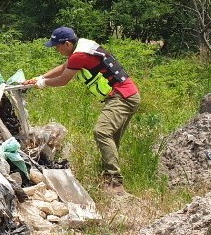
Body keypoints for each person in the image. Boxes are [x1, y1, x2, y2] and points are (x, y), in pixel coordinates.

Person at [22, 26, 140, 195]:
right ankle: (109, 178)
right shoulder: (82, 47)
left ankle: (115, 183)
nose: (56, 50)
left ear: (67, 44)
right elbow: (64, 67)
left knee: (102, 132)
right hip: (127, 94)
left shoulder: (80, 55)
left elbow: (63, 80)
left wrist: (43, 83)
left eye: (57, 46)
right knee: (111, 137)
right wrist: (41, 77)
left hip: (122, 97)